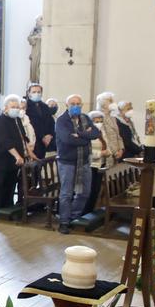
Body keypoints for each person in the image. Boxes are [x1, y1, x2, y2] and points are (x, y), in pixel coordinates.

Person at [53, 94, 102, 233]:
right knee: (67, 193)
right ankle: (64, 221)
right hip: (67, 161)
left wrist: (79, 134)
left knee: (84, 192)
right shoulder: (62, 121)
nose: (76, 106)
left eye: (78, 104)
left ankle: (74, 217)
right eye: (72, 103)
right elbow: (68, 140)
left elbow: (96, 133)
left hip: (84, 161)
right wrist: (85, 137)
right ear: (67, 105)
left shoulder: (85, 118)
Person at [0, 96, 27, 212]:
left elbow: (22, 137)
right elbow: (4, 142)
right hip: (0, 160)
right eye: (13, 107)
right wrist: (17, 155)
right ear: (5, 108)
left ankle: (6, 210)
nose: (16, 109)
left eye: (17, 107)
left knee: (10, 185)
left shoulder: (16, 119)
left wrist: (27, 152)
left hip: (13, 161)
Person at [83, 109, 114, 215]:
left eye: (101, 121)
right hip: (91, 165)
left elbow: (107, 144)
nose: (99, 123)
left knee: (96, 191)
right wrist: (101, 154)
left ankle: (90, 211)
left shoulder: (101, 132)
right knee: (89, 191)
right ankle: (84, 213)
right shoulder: (87, 133)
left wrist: (108, 152)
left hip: (101, 165)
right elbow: (87, 152)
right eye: (96, 121)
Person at [24, 83, 55, 158]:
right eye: (34, 92)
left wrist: (50, 135)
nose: (37, 94)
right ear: (29, 93)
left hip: (44, 142)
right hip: (32, 141)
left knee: (40, 164)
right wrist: (42, 137)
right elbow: (30, 123)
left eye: (39, 92)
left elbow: (51, 121)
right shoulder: (25, 106)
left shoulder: (44, 106)